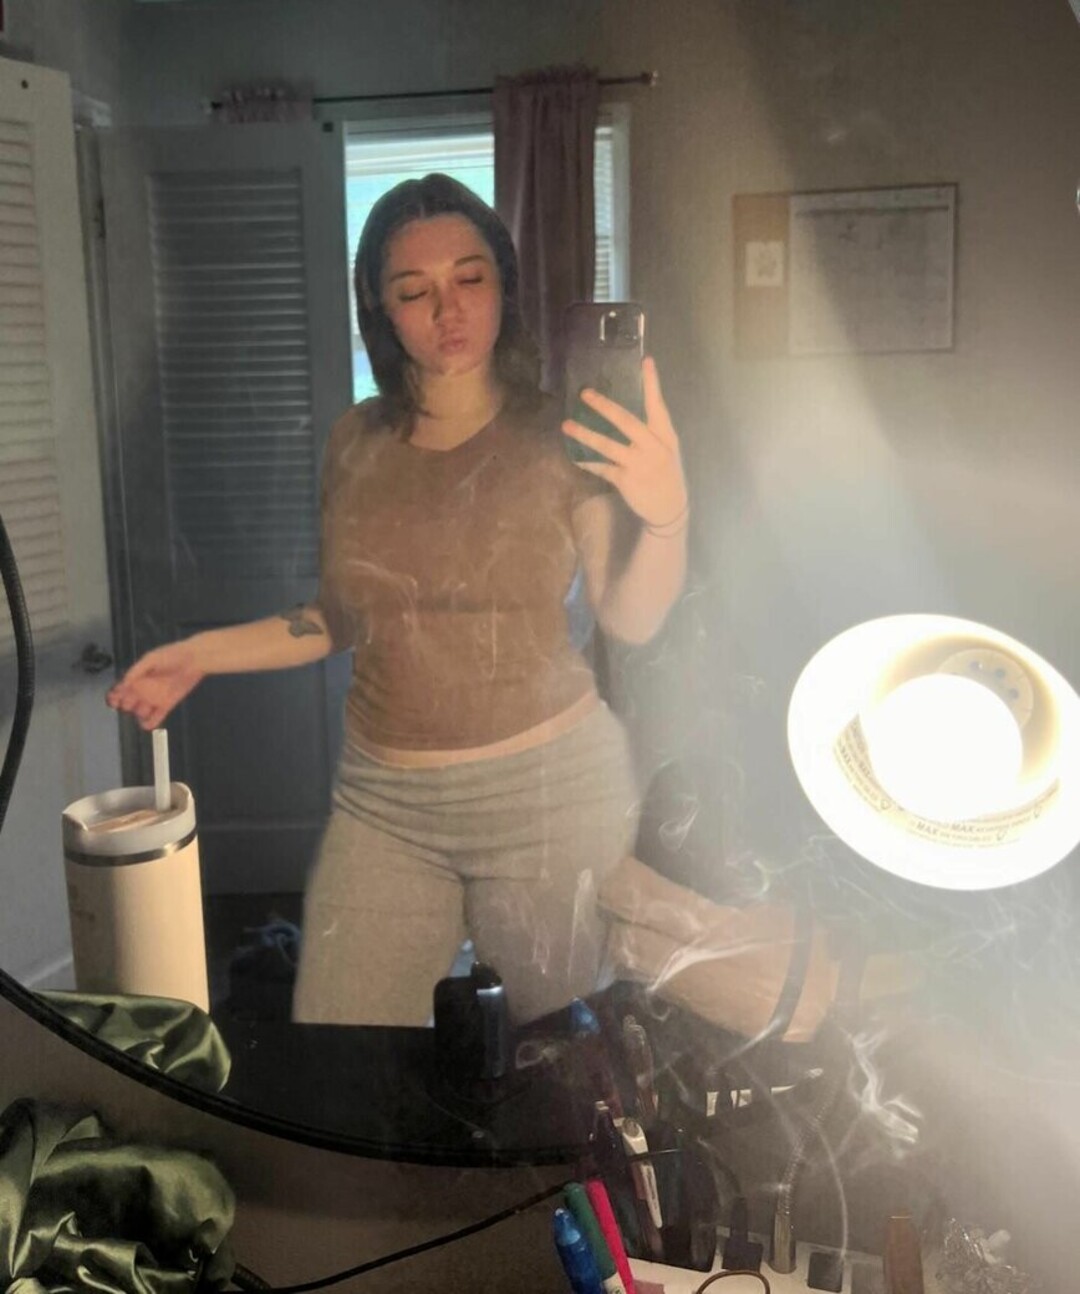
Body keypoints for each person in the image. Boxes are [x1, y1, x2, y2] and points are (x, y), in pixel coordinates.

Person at [106, 173, 689, 1027]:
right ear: (380, 310)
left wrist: (668, 514)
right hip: (385, 804)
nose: (447, 309)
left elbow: (629, 617)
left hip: (549, 796)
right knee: (342, 1048)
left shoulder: (562, 433)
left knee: (555, 1059)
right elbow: (339, 618)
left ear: (504, 286)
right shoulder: (356, 438)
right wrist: (200, 655)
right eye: (413, 291)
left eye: (470, 278)